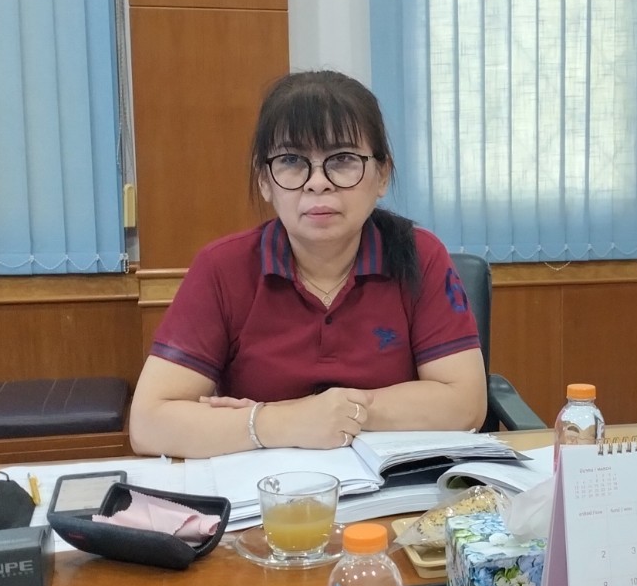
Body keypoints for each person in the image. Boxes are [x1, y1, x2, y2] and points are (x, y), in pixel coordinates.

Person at [129, 70, 487, 458]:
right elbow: (148, 423)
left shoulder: (420, 256)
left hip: (391, 484)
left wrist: (334, 412)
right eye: (292, 160)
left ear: (382, 175)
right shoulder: (222, 268)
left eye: (343, 159)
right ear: (265, 181)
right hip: (266, 488)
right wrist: (284, 422)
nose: (318, 182)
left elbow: (465, 403)